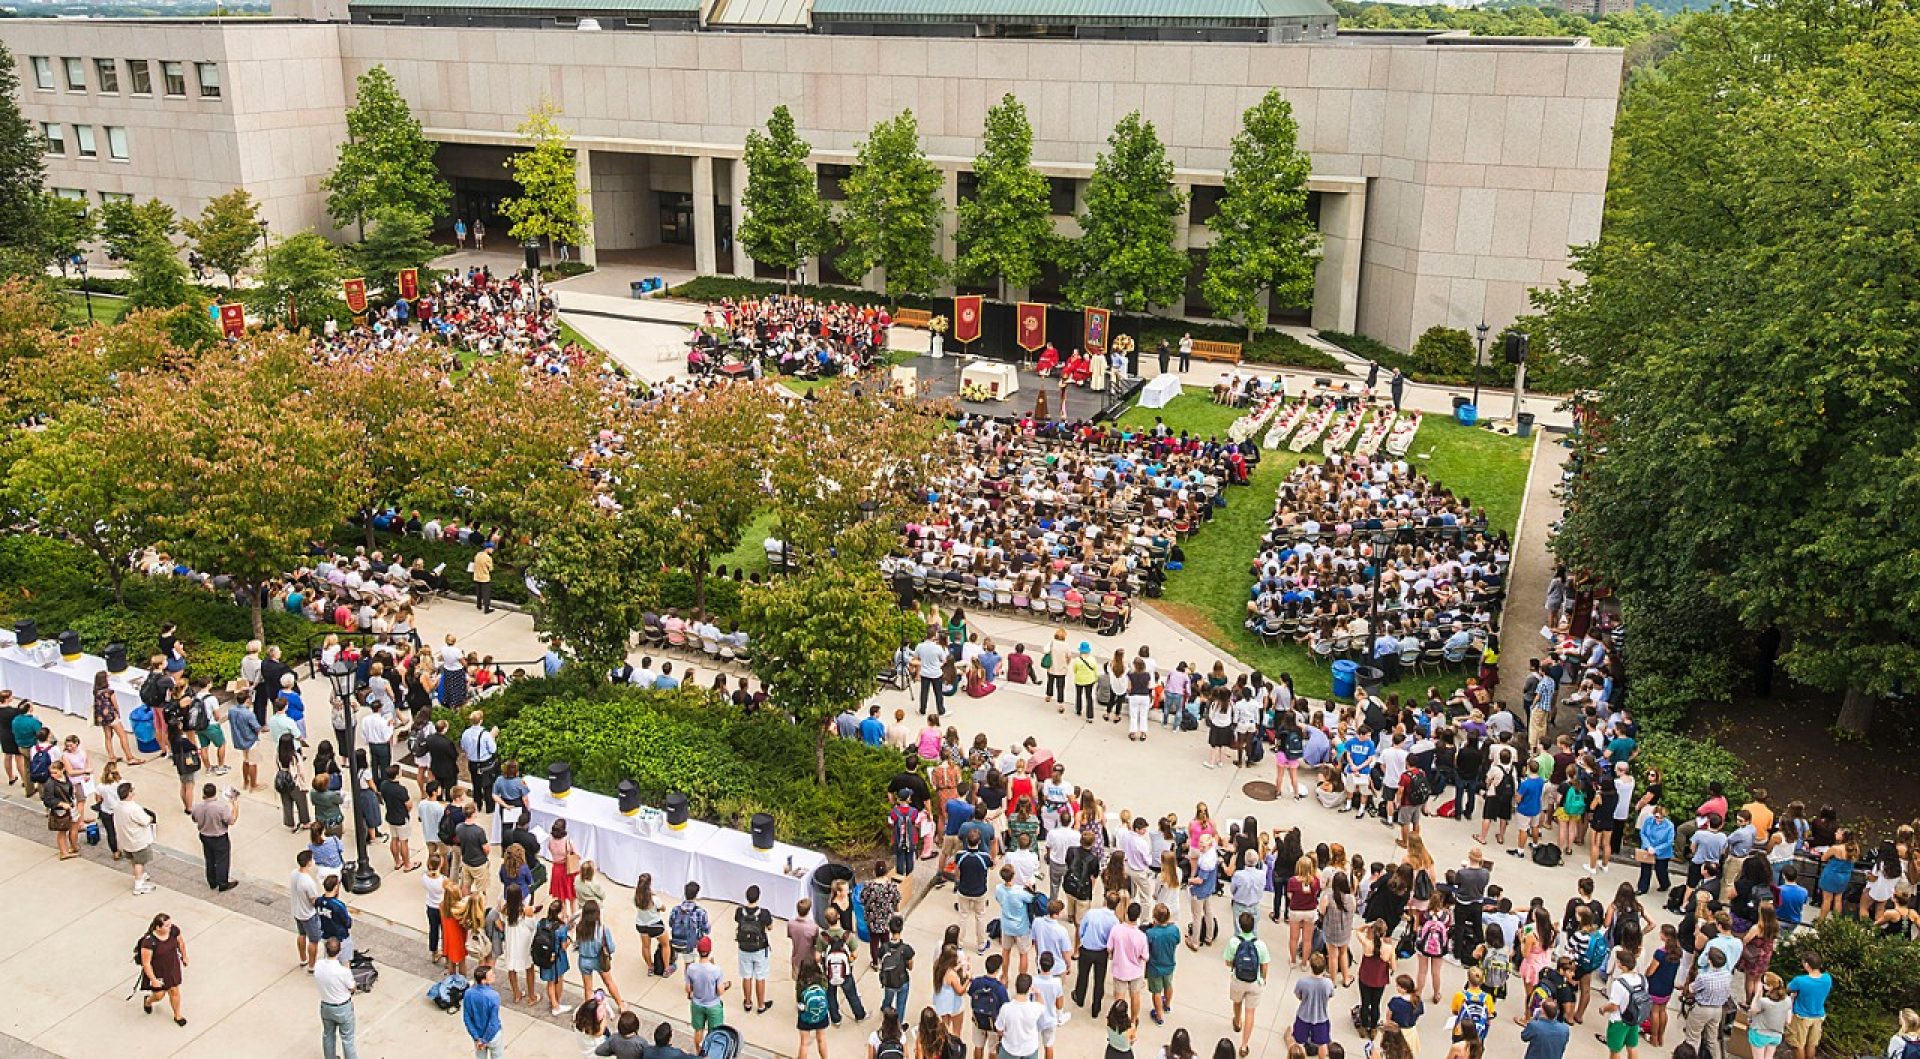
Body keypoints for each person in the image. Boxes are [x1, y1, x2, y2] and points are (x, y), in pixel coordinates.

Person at [1223, 911, 1270, 1059]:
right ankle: (1244, 1045)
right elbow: (1265, 964)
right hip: (1254, 982)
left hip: (1238, 979)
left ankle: (1237, 1021)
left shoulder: (1233, 942)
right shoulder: (1260, 945)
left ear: (1240, 925)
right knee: (1250, 1012)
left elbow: (1227, 961)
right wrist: (1263, 979)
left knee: (1237, 1002)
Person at [137, 912, 189, 1026]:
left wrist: (184, 956)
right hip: (158, 972)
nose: (170, 927)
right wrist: (154, 979)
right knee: (159, 995)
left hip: (172, 967)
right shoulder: (149, 941)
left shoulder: (174, 931)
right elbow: (146, 963)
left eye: (170, 924)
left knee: (174, 991)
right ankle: (148, 1001)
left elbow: (181, 943)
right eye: (166, 925)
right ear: (158, 927)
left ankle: (177, 1015)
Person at [189, 780, 240, 891]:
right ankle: (222, 883)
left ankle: (212, 881)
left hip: (205, 835)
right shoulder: (221, 807)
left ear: (204, 793)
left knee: (210, 859)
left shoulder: (196, 807)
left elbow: (194, 819)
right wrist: (235, 806)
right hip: (219, 837)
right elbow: (231, 821)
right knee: (222, 860)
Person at [314, 936, 360, 1059]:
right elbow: (352, 987)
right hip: (343, 1006)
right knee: (347, 1038)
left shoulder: (318, 965)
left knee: (328, 1034)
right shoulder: (343, 971)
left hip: (326, 1005)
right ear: (339, 951)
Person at [1784, 952, 1832, 1059]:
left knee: (1798, 1045)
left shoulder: (1800, 980)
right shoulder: (1827, 978)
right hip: (1818, 1016)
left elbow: (1787, 989)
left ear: (1806, 965)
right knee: (1812, 1044)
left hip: (1801, 1017)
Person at [687, 935, 731, 1050]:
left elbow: (688, 989)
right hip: (713, 1005)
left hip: (697, 1004)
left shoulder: (691, 968)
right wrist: (726, 986)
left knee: (698, 1030)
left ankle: (698, 1053)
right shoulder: (716, 970)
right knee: (714, 1034)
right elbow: (720, 991)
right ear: (710, 950)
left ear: (698, 950)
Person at [1291, 952, 1335, 1057]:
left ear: (1311, 966)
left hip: (1303, 1016)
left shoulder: (1302, 982)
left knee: (1299, 1042)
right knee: (1322, 1043)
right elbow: (1330, 995)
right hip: (1321, 1018)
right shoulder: (1328, 983)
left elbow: (1298, 995)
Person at [291, 849, 324, 972]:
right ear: (309, 862)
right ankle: (312, 965)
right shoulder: (308, 882)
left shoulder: (294, 873)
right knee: (314, 940)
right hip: (308, 914)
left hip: (297, 911)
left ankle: (303, 958)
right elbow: (313, 900)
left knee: (301, 934)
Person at [465, 964, 505, 1058]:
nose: (494, 975)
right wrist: (485, 1040)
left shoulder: (468, 993)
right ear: (483, 981)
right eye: (491, 975)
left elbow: (467, 1018)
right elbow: (493, 1023)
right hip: (493, 1036)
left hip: (477, 1035)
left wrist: (477, 1038)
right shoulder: (493, 996)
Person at [796, 958, 833, 1059]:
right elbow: (826, 991)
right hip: (821, 1014)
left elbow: (799, 999)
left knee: (804, 1043)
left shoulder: (801, 982)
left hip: (806, 1015)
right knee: (821, 1039)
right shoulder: (821, 979)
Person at [1749, 973, 1792, 1059]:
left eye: (1764, 983)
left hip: (1760, 1034)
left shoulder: (1764, 1002)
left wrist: (1757, 994)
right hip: (1776, 1035)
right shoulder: (1788, 1000)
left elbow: (1752, 1010)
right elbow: (1788, 1021)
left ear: (1770, 986)